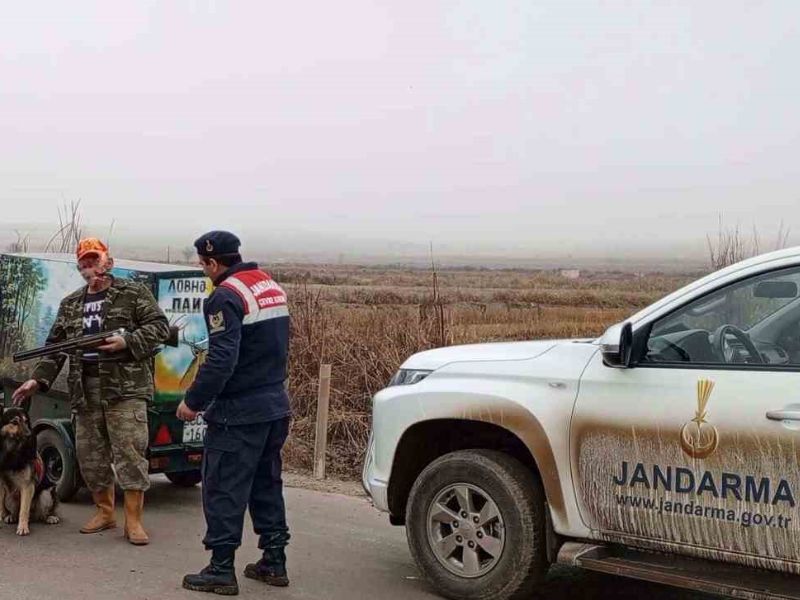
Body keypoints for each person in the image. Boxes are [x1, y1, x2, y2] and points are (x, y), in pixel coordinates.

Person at [12, 238, 170, 545]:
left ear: (108, 262)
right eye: (84, 264)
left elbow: (160, 328)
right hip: (84, 390)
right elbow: (54, 349)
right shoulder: (71, 304)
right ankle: (105, 512)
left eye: (94, 261)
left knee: (130, 454)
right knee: (91, 457)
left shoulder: (133, 293)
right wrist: (37, 381)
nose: (90, 269)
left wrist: (128, 342)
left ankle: (134, 522)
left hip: (125, 389)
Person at [178, 231, 292, 596]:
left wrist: (192, 401)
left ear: (213, 263)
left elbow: (221, 359)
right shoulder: (266, 284)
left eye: (202, 266)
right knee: (265, 484)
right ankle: (274, 561)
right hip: (274, 404)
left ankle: (220, 570)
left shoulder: (224, 296)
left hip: (238, 412)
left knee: (223, 487)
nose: (203, 272)